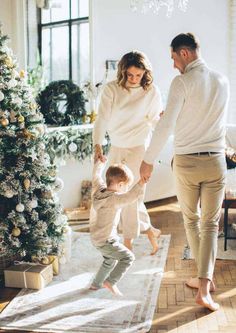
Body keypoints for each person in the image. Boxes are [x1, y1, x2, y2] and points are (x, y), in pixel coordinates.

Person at [140, 33, 230, 311]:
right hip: (216, 161)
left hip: (187, 162)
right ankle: (206, 283)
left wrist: (148, 160)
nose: (173, 65)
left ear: (185, 53)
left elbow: (166, 127)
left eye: (174, 58)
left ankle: (203, 286)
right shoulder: (222, 81)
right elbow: (211, 118)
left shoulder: (181, 82)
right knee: (211, 224)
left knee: (192, 220)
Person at [93, 50, 162, 254]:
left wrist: (163, 119)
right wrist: (98, 144)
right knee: (116, 194)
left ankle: (128, 241)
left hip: (138, 148)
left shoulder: (151, 91)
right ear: (122, 72)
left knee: (131, 197)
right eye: (130, 75)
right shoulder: (111, 89)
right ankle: (149, 229)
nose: (133, 79)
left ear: (145, 73)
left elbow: (154, 121)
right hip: (116, 146)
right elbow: (102, 119)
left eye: (138, 75)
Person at [89, 160, 145, 296]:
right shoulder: (114, 199)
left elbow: (96, 176)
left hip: (97, 237)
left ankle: (96, 284)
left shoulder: (99, 190)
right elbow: (130, 196)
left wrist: (99, 164)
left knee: (109, 260)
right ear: (120, 185)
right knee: (128, 257)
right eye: (126, 186)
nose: (125, 189)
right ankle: (110, 282)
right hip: (106, 240)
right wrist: (141, 183)